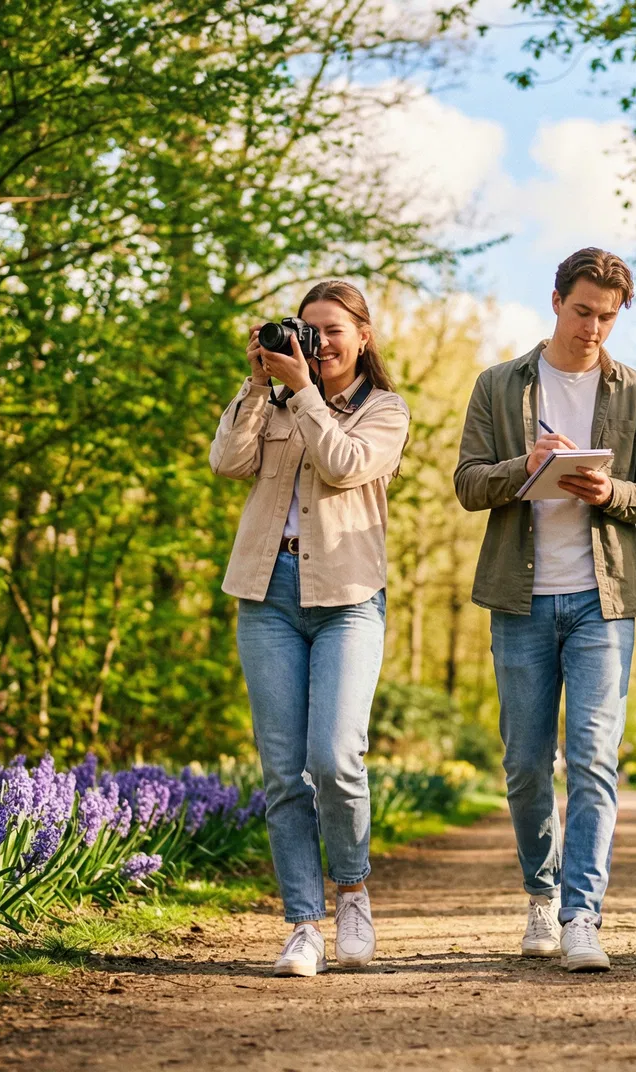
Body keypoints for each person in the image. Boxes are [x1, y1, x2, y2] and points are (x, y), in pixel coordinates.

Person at [454, 248, 636, 972]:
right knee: (524, 765)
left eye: (607, 318)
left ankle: (583, 914)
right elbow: (466, 484)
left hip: (602, 603)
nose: (593, 329)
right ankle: (539, 896)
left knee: (592, 759)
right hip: (518, 600)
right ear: (555, 301)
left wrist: (611, 494)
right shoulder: (499, 385)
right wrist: (525, 470)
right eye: (583, 312)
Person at [210, 280, 410, 977]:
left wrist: (304, 394)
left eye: (332, 331)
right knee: (283, 772)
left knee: (334, 759)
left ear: (363, 337)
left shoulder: (385, 410)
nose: (318, 343)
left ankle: (351, 890)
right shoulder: (273, 396)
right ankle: (302, 923)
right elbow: (228, 461)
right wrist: (257, 382)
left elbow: (344, 463)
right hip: (267, 591)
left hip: (349, 597)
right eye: (308, 330)